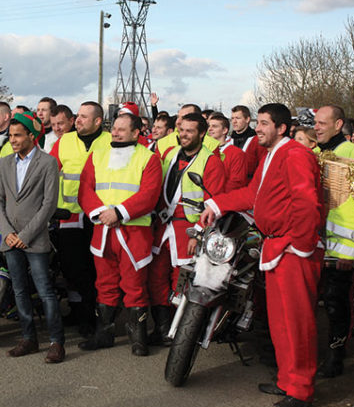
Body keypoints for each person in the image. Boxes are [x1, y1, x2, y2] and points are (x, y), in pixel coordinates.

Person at [200, 103, 324, 407]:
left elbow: (307, 203)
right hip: (278, 247)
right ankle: (287, 380)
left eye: (265, 123)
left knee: (297, 322)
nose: (258, 128)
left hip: (292, 250)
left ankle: (301, 389)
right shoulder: (273, 155)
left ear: (282, 128)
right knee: (281, 321)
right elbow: (252, 195)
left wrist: (300, 245)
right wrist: (216, 203)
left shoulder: (296, 155)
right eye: (258, 122)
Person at [77, 113, 162, 356]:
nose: (115, 133)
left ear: (136, 133)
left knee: (135, 286)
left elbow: (149, 194)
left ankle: (138, 339)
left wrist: (120, 212)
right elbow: (85, 188)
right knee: (104, 284)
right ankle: (103, 335)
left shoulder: (149, 159)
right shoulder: (98, 154)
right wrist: (101, 212)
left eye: (122, 129)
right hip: (102, 230)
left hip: (134, 232)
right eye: (114, 128)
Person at [147, 113, 225, 346]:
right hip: (163, 227)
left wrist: (199, 232)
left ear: (202, 134)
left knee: (180, 281)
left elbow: (215, 203)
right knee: (156, 277)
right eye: (182, 130)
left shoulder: (211, 162)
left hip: (188, 230)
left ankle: (178, 330)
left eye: (190, 131)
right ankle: (161, 327)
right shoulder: (169, 155)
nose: (184, 135)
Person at [0, 113, 64, 362]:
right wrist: (8, 233)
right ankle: (28, 338)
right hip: (10, 238)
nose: (12, 140)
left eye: (17, 135)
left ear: (31, 137)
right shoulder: (5, 163)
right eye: (10, 136)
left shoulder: (48, 163)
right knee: (19, 289)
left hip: (34, 238)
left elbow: (48, 205)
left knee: (45, 290)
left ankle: (56, 342)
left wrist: (24, 235)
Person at [312, 105, 354, 378]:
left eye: (323, 123)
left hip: (341, 243)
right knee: (315, 298)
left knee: (337, 301)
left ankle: (336, 354)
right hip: (313, 239)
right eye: (315, 123)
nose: (317, 127)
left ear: (339, 125)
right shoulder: (311, 153)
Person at [48, 101, 111, 336]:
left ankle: (94, 317)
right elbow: (48, 170)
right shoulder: (64, 141)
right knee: (73, 269)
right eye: (78, 116)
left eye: (84, 117)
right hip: (70, 214)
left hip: (100, 216)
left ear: (97, 121)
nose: (78, 120)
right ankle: (79, 312)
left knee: (97, 269)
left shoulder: (110, 141)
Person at [207, 113, 248, 191]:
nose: (210, 129)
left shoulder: (237, 154)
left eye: (214, 126)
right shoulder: (204, 151)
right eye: (209, 126)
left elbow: (236, 183)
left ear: (225, 130)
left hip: (221, 198)